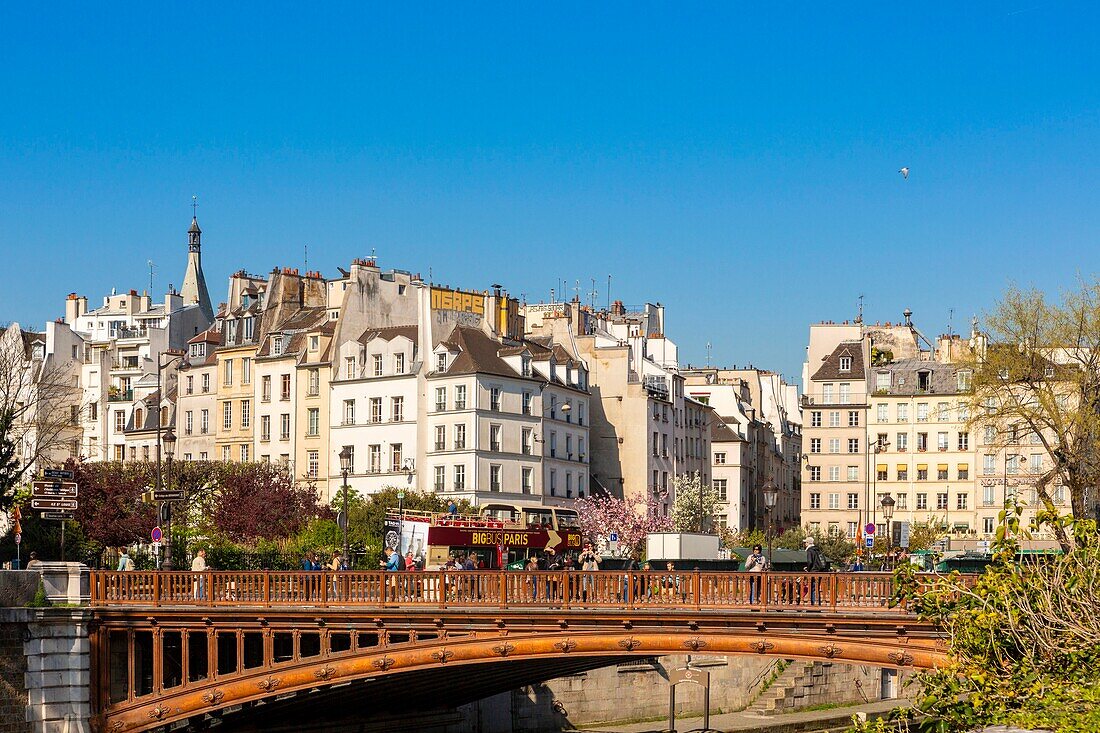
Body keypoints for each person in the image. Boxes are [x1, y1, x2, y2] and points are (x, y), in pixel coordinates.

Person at [803, 537, 827, 605]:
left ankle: (813, 605)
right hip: (819, 572)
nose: (805, 544)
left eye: (805, 543)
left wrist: (807, 569)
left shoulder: (810, 551)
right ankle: (818, 603)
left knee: (812, 589)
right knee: (817, 588)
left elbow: (810, 562)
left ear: (808, 543)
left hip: (813, 572)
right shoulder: (817, 550)